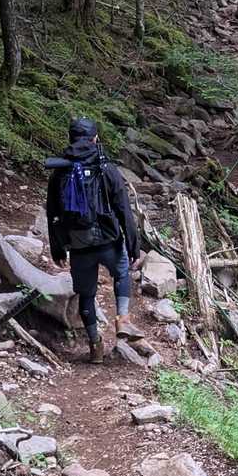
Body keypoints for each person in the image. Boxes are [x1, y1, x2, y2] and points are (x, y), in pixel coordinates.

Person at [45, 118, 143, 363]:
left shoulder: (60, 171)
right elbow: (123, 209)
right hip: (109, 240)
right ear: (95, 138)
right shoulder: (106, 168)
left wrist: (58, 248)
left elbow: (53, 214)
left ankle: (95, 346)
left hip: (79, 245)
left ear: (71, 139)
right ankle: (122, 319)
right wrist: (133, 243)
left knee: (86, 294)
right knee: (121, 273)